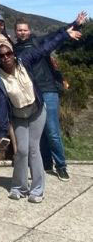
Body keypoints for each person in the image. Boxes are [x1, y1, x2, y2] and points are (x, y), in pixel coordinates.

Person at [0, 24, 83, 202]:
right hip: (19, 116)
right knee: (21, 152)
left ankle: (37, 190)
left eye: (9, 53)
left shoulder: (24, 61)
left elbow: (45, 48)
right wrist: (2, 132)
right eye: (2, 55)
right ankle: (18, 187)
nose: (6, 58)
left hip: (36, 112)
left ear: (13, 53)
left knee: (34, 150)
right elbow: (2, 106)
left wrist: (65, 34)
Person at [13, 11, 88, 181]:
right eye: (19, 30)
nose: (22, 32)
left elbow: (56, 35)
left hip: (48, 90)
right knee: (38, 132)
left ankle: (61, 165)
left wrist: (75, 24)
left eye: (25, 30)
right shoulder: (15, 49)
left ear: (29, 30)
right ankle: (46, 163)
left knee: (52, 130)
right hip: (32, 94)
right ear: (15, 32)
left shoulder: (37, 41)